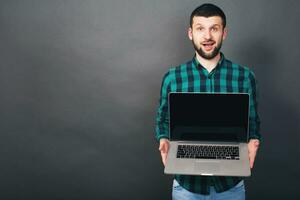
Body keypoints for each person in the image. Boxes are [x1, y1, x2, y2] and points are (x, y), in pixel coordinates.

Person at [155, 3, 261, 200]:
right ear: (190, 33)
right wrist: (163, 138)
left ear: (224, 33)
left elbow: (252, 121)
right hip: (186, 188)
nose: (207, 36)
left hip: (230, 187)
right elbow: (163, 120)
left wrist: (254, 139)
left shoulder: (245, 76)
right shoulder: (173, 77)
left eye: (214, 28)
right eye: (200, 28)